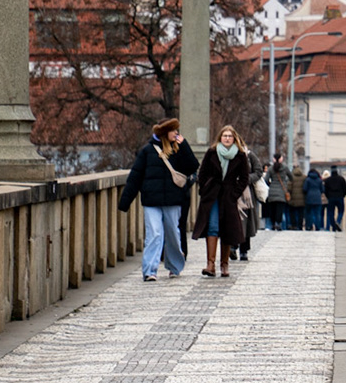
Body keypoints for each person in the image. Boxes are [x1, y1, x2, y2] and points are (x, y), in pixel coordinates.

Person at [116, 118, 197, 281]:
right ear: (165, 132)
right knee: (154, 233)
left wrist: (185, 146)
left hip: (173, 200)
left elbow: (192, 167)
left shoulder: (177, 150)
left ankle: (174, 266)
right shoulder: (147, 151)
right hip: (152, 200)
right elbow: (135, 177)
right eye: (174, 130)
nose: (177, 133)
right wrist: (125, 201)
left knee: (173, 233)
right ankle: (149, 270)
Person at [192, 125, 254, 277]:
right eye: (224, 136)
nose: (227, 138)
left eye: (230, 136)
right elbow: (203, 173)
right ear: (220, 137)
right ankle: (210, 264)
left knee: (227, 229)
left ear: (234, 139)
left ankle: (224, 265)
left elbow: (244, 178)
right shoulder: (212, 152)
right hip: (212, 196)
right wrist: (204, 190)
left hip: (228, 197)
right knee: (212, 226)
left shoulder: (240, 155)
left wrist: (234, 194)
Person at [265, 154, 291, 230]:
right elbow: (291, 177)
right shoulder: (285, 168)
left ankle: (272, 224)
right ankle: (278, 223)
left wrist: (271, 184)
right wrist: (285, 183)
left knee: (272, 209)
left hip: (272, 191)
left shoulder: (270, 169)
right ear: (281, 159)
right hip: (281, 191)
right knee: (280, 209)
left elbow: (266, 180)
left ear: (273, 159)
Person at [323, 165, 346, 232]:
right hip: (340, 197)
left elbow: (325, 190)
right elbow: (345, 189)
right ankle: (338, 221)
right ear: (337, 170)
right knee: (341, 211)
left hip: (331, 198)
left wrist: (328, 197)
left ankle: (334, 227)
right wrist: (343, 195)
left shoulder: (328, 180)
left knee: (330, 212)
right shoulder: (341, 179)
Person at [285, 156, 307, 230]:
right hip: (302, 199)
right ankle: (300, 226)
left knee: (292, 212)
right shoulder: (304, 177)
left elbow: (289, 188)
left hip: (293, 199)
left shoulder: (291, 177)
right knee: (301, 213)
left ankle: (294, 225)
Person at [302, 166, 325, 231]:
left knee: (309, 213)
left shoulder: (307, 180)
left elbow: (305, 189)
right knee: (317, 213)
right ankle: (317, 227)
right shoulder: (319, 180)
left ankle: (309, 226)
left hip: (309, 198)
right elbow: (323, 189)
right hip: (318, 198)